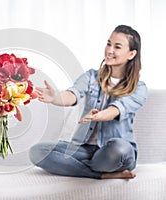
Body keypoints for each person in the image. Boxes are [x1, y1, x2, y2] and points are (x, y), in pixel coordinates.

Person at [29, 25, 147, 179]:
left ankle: (83, 165)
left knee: (117, 150)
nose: (110, 50)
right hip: (84, 149)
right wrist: (56, 97)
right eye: (108, 44)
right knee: (37, 152)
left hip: (115, 150)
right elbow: (73, 94)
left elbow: (116, 109)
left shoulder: (139, 88)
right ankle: (100, 174)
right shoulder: (91, 76)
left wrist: (99, 115)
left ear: (131, 54)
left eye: (117, 47)